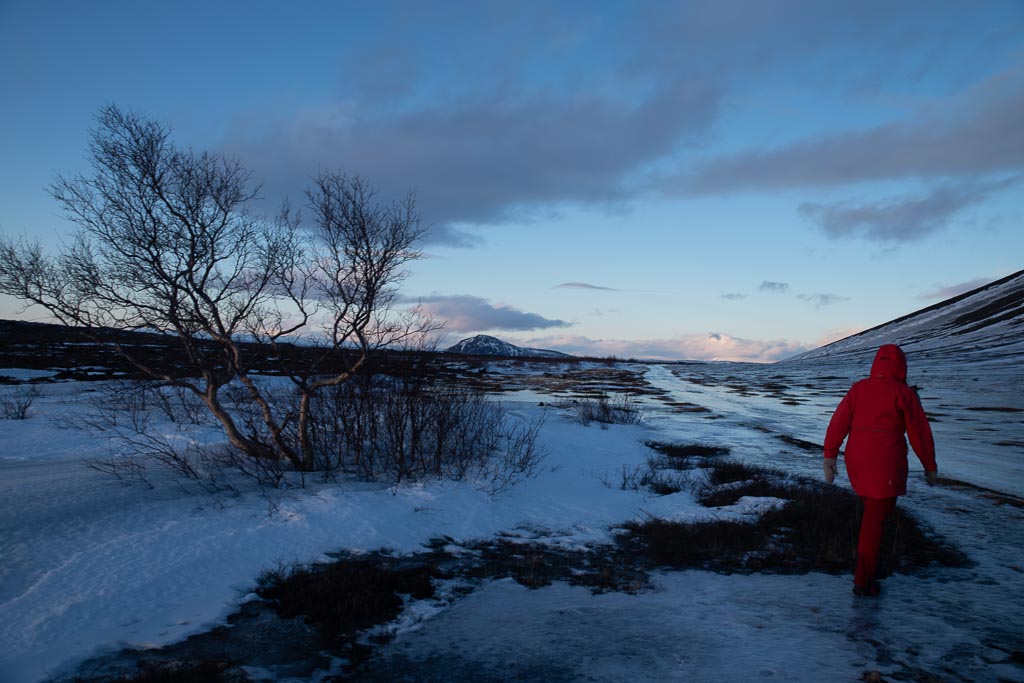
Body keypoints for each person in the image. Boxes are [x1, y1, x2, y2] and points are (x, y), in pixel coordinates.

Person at [823, 343, 938, 597]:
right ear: (902, 367)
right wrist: (930, 466)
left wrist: (830, 455)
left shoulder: (859, 388)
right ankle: (864, 580)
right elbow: (920, 434)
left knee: (871, 514)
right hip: (885, 464)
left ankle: (870, 566)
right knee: (875, 520)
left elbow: (838, 422)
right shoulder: (904, 393)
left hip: (857, 461)